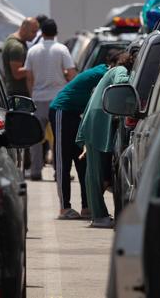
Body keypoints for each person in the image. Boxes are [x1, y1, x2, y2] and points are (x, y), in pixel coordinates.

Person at [49, 57, 115, 219]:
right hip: (62, 111)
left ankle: (87, 206)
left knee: (81, 161)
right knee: (63, 161)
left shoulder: (102, 72)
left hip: (74, 114)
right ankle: (64, 208)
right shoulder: (104, 73)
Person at [76, 52, 134, 228]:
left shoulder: (111, 71)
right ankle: (99, 216)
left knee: (94, 172)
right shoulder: (120, 69)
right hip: (97, 121)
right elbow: (122, 83)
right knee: (94, 173)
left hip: (96, 119)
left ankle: (98, 213)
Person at [24, 19, 77, 181]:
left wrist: (32, 94)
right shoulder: (62, 50)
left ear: (42, 33)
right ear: (55, 33)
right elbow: (72, 73)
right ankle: (60, 172)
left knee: (35, 138)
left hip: (38, 99)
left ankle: (35, 171)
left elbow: (29, 76)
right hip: (58, 100)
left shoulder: (33, 51)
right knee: (59, 138)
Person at [2, 17, 39, 97]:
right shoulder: (16, 46)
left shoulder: (18, 43)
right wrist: (37, 66)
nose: (35, 35)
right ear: (24, 29)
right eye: (33, 32)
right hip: (18, 95)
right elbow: (17, 74)